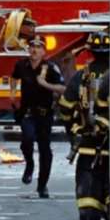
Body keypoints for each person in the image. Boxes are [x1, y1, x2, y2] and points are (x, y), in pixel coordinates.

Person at [58, 32, 110, 220]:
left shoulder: (81, 76)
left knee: (87, 181)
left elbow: (65, 107)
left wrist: (73, 132)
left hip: (87, 142)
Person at [10, 38, 65, 198]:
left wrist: (45, 84)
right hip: (27, 112)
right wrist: (12, 93)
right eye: (32, 47)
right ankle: (29, 164)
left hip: (44, 114)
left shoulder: (51, 68)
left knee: (44, 149)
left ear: (43, 52)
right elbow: (14, 77)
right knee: (27, 139)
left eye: (38, 48)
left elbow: (63, 88)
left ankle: (42, 185)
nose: (34, 50)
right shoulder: (22, 65)